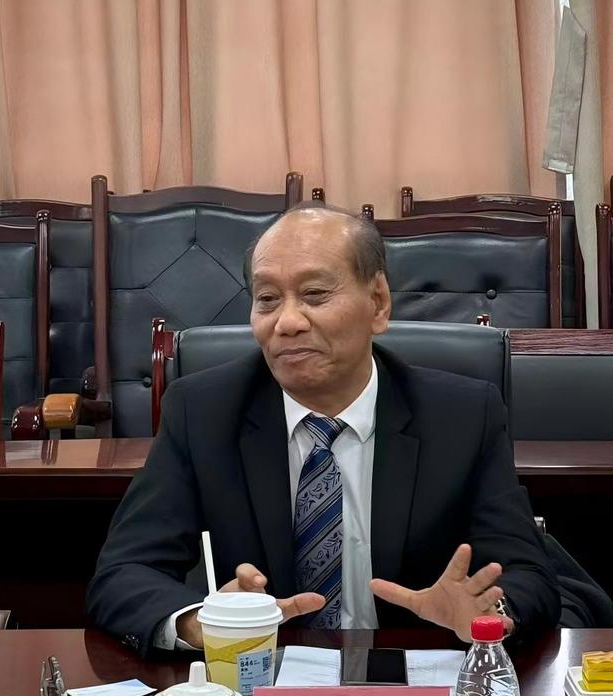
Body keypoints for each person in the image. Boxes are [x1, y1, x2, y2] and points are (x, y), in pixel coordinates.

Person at [86, 205, 560, 656]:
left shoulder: (462, 416)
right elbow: (123, 573)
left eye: (314, 294)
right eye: (267, 299)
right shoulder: (203, 411)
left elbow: (529, 574)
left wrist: (487, 616)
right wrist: (205, 623)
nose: (287, 322)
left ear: (378, 303)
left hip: (416, 677)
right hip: (264, 680)